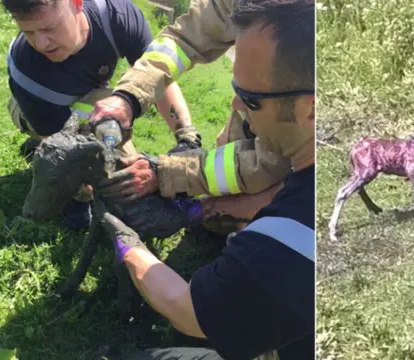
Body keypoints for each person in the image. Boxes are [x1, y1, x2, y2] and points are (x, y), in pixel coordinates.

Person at [93, 0, 315, 358]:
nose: (235, 107)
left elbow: (189, 311)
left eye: (250, 99)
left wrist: (127, 242)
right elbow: (185, 36)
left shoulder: (297, 234)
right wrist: (130, 95)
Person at [87, 0, 296, 231]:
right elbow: (185, 38)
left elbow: (270, 161)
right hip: (251, 134)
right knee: (217, 216)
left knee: (251, 225)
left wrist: (165, 172)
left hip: (283, 163)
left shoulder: (305, 53)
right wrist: (129, 95)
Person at [2, 0, 201, 230]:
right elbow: (63, 148)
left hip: (92, 96)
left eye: (49, 28)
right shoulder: (26, 72)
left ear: (76, 3)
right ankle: (74, 194)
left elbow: (157, 78)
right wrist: (86, 190)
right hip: (35, 108)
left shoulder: (117, 17)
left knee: (105, 122)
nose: (41, 43)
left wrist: (186, 136)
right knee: (109, 170)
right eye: (28, 32)